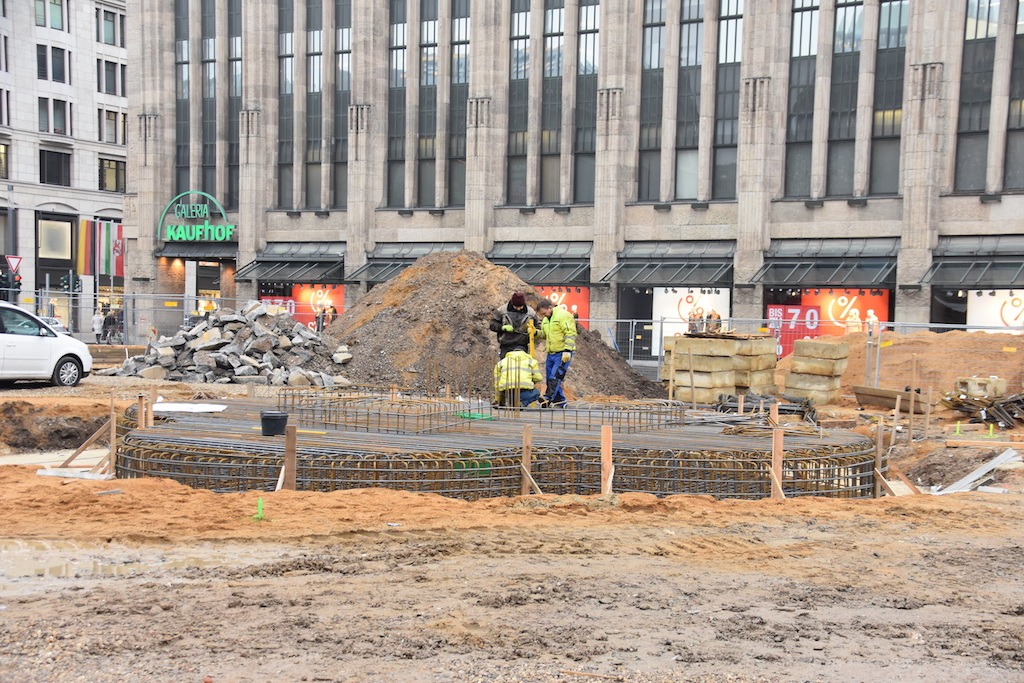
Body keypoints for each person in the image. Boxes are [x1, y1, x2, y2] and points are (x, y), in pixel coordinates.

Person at [537, 298, 577, 406]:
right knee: (551, 377)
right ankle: (560, 402)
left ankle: (547, 399)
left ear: (550, 308)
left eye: (544, 313)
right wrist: (535, 333)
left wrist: (567, 351)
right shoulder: (546, 320)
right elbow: (546, 335)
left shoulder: (563, 315)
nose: (543, 316)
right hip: (551, 353)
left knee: (555, 376)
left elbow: (570, 333)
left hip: (562, 352)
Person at [489, 292, 540, 359]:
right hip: (506, 345)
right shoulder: (502, 311)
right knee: (505, 367)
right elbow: (492, 324)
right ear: (512, 303)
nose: (518, 309)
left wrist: (534, 331)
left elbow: (539, 327)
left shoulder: (530, 313)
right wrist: (502, 327)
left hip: (522, 345)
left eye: (520, 307)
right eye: (516, 307)